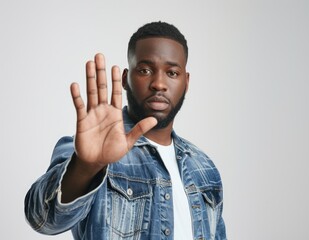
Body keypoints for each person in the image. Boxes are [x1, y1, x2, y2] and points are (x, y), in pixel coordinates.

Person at [25, 21, 226, 240]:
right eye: (145, 70)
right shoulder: (88, 150)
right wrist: (86, 167)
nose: (159, 83)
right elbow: (43, 219)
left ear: (186, 82)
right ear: (125, 79)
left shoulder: (204, 168)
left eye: (172, 73)